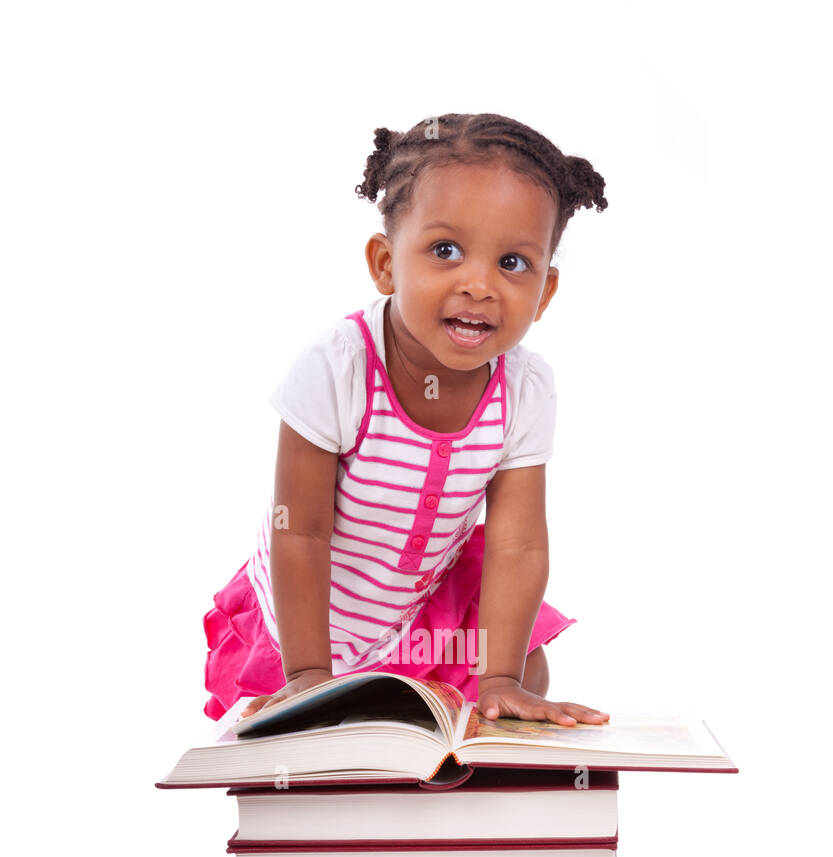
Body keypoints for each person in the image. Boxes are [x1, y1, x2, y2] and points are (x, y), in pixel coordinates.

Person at [203, 112, 610, 729]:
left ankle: (453, 781)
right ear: (386, 263)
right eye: (445, 251)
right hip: (310, 615)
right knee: (315, 722)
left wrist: (498, 677)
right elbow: (301, 531)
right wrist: (310, 677)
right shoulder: (337, 368)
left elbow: (517, 542)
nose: (479, 284)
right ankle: (319, 692)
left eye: (513, 262)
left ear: (545, 293)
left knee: (526, 669)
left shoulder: (523, 389)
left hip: (414, 613)